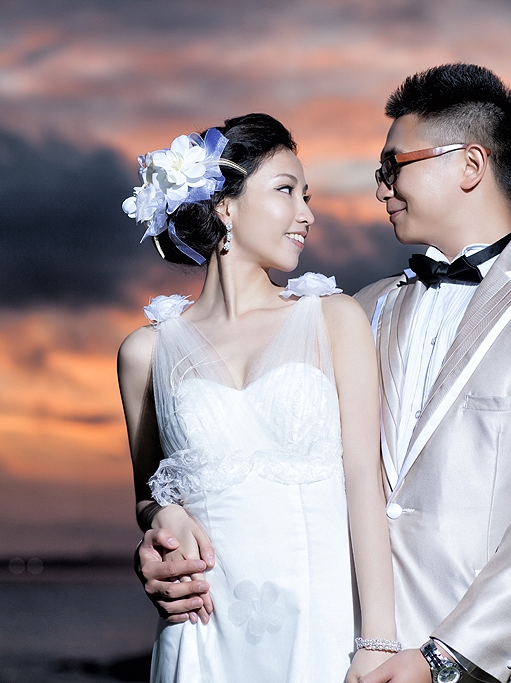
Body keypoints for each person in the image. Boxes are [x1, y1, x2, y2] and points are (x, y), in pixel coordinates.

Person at [136, 66, 511, 683]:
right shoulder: (357, 308)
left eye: (393, 166)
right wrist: (160, 539)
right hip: (334, 646)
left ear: (470, 165)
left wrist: (444, 657)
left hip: (479, 663)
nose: (380, 188)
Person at [117, 113, 396, 683]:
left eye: (307, 196)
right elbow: (148, 492)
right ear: (225, 206)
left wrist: (379, 641)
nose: (306, 214)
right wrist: (162, 513)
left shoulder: (333, 319)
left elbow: (364, 482)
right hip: (200, 635)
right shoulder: (147, 351)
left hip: (319, 631)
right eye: (286, 190)